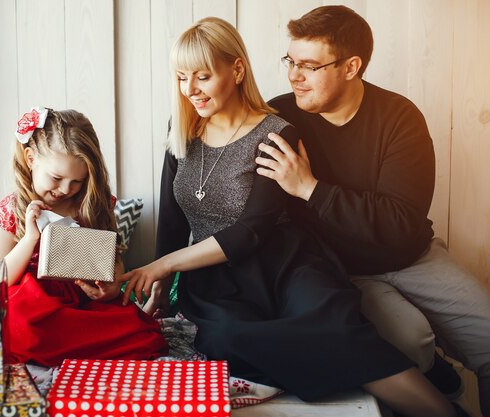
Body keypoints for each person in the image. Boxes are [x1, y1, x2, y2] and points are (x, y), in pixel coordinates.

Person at [119, 16, 456, 417]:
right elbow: (173, 222)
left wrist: (162, 265)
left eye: (202, 76)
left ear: (237, 69)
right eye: (180, 77)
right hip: (215, 275)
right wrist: (163, 286)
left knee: (337, 330)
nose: (190, 89)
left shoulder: (278, 131)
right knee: (226, 337)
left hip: (287, 264)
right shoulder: (182, 130)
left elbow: (252, 231)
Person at [258, 5, 490, 416]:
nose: (293, 75)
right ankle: (434, 369)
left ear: (351, 66)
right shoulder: (279, 118)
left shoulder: (400, 118)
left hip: (413, 256)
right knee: (411, 341)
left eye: (309, 66)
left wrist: (310, 189)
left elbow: (401, 224)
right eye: (290, 61)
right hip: (342, 268)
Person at [0, 107, 168, 367]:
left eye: (77, 182)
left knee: (143, 334)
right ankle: (61, 348)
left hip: (83, 303)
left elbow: (113, 264)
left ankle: (78, 348)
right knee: (14, 325)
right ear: (30, 158)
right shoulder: (11, 211)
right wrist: (29, 239)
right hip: (35, 307)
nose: (65, 190)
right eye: (57, 178)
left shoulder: (92, 204)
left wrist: (109, 290)